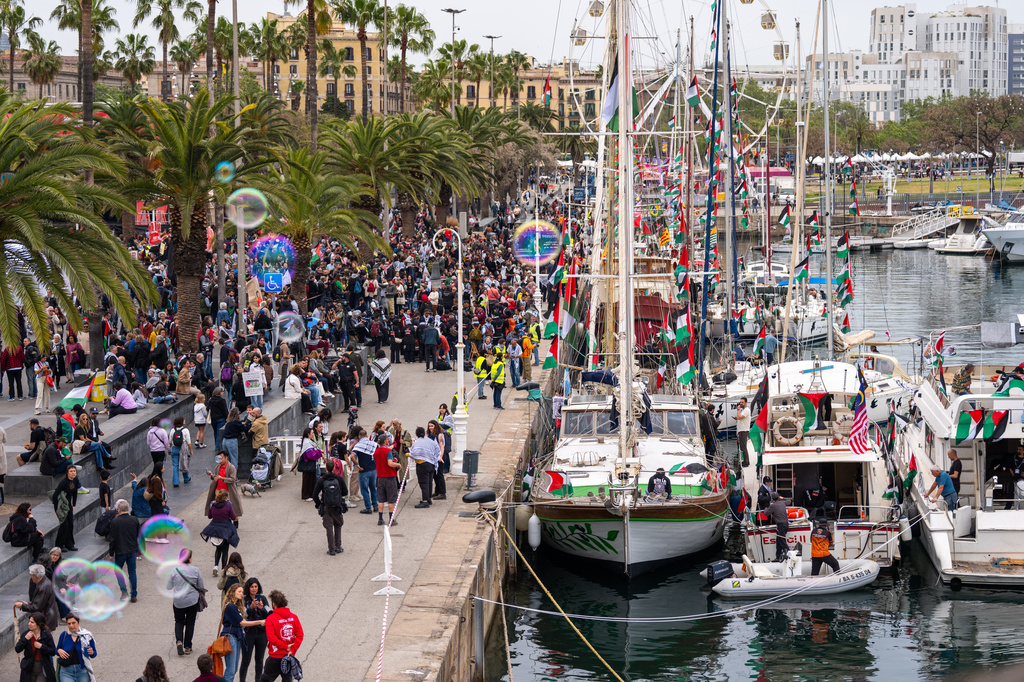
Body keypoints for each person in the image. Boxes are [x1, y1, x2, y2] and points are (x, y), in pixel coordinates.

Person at [220, 584, 265, 682]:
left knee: (234, 668)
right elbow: (242, 623)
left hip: (236, 637)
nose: (241, 594)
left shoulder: (235, 606)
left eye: (242, 592)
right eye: (239, 591)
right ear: (232, 592)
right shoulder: (230, 606)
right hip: (230, 637)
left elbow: (242, 624)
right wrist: (260, 621)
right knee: (231, 670)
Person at [166, 550, 205, 656]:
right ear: (190, 558)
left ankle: (179, 641)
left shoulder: (174, 571)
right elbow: (201, 586)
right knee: (190, 622)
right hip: (192, 601)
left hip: (178, 601)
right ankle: (187, 646)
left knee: (179, 621)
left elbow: (168, 586)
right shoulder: (196, 570)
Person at [260, 590, 303, 682]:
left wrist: (285, 647)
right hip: (288, 657)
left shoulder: (270, 619)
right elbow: (300, 635)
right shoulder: (294, 617)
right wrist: (292, 649)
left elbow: (271, 638)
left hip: (275, 657)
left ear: (274, 604)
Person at [312, 458, 348, 555]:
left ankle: (331, 549)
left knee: (329, 527)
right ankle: (338, 546)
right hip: (337, 506)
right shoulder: (339, 479)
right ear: (335, 468)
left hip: (326, 506)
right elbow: (345, 492)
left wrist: (319, 504)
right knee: (338, 525)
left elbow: (314, 494)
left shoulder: (322, 480)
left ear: (326, 469)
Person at [108, 499, 141, 602]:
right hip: (132, 550)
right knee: (132, 572)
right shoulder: (135, 519)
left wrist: (111, 553)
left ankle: (124, 592)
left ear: (118, 510)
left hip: (120, 550)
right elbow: (138, 535)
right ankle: (134, 594)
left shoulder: (115, 522)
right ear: (128, 508)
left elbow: (112, 539)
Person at [203, 488, 240, 575]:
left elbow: (209, 516)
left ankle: (215, 566)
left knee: (218, 548)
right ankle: (224, 569)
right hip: (225, 529)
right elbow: (233, 517)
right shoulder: (228, 505)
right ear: (226, 497)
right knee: (225, 550)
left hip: (215, 529)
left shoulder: (212, 504)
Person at [240, 578, 270, 682]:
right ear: (248, 588)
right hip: (249, 633)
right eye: (252, 587)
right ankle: (242, 680)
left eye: (256, 586)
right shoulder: (244, 599)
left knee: (259, 659)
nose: (254, 589)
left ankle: (258, 680)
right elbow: (242, 616)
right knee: (245, 659)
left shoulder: (263, 598)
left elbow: (270, 615)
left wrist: (262, 608)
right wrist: (251, 608)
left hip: (261, 633)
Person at [55, 611, 97, 682]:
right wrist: (59, 651)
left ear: (78, 622)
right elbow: (56, 650)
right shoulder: (64, 635)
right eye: (69, 623)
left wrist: (92, 652)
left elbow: (94, 653)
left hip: (82, 671)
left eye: (73, 623)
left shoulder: (86, 636)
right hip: (66, 671)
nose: (71, 626)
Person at [16, 565, 60, 632]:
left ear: (35, 576)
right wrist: (28, 604)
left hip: (45, 619)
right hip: (47, 617)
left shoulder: (43, 587)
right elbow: (39, 603)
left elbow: (36, 607)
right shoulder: (45, 582)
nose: (31, 578)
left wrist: (23, 606)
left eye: (31, 576)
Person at [16, 611, 56, 682]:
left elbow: (53, 651)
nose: (29, 624)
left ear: (39, 624)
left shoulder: (46, 635)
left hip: (42, 667)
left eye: (32, 622)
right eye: (29, 621)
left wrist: (42, 646)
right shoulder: (26, 634)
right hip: (29, 667)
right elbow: (18, 649)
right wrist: (25, 639)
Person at [410, 426, 442, 509]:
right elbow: (437, 450)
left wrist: (409, 455)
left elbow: (414, 453)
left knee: (423, 483)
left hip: (422, 465)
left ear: (416, 434)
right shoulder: (430, 441)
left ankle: (425, 501)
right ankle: (428, 499)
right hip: (431, 464)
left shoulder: (417, 442)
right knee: (429, 482)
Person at [374, 434, 401, 526]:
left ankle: (380, 518)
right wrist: (397, 465)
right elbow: (389, 463)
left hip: (380, 478)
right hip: (390, 478)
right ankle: (391, 519)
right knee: (391, 500)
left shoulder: (376, 451)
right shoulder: (388, 451)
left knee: (381, 499)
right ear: (385, 441)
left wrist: (394, 461)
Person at [52, 466, 79, 552]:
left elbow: (75, 493)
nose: (73, 473)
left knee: (70, 524)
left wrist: (74, 504)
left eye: (74, 471)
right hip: (61, 506)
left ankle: (69, 544)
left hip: (69, 505)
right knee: (64, 525)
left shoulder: (76, 480)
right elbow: (55, 495)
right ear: (67, 473)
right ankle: (59, 545)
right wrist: (56, 509)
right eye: (71, 471)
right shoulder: (63, 482)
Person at [426, 420, 448, 501]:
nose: (430, 428)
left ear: (435, 426)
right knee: (435, 475)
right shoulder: (431, 435)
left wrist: (440, 457)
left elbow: (442, 446)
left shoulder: (440, 435)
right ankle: (437, 491)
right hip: (433, 458)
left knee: (439, 475)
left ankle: (442, 493)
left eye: (432, 426)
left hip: (439, 457)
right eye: (429, 426)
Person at [766, 492, 791, 562]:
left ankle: (789, 555)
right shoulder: (782, 503)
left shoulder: (773, 506)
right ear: (778, 497)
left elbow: (766, 513)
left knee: (782, 541)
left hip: (781, 525)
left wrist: (765, 508)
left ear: (772, 498)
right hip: (786, 524)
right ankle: (778, 556)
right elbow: (789, 501)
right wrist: (782, 498)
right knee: (779, 540)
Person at [170, 415, 194, 487]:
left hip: (174, 449)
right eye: (183, 420)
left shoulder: (172, 430)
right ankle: (186, 478)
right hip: (183, 449)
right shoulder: (185, 430)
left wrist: (169, 449)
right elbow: (188, 442)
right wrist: (191, 450)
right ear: (181, 422)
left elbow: (170, 441)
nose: (184, 421)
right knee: (184, 463)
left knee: (175, 465)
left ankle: (176, 482)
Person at [735, 398, 751, 463]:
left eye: (742, 402)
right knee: (742, 447)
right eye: (740, 402)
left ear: (746, 403)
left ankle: (746, 461)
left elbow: (741, 416)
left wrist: (738, 410)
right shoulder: (743, 410)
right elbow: (740, 417)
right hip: (741, 430)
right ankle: (745, 460)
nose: (741, 403)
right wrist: (737, 418)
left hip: (744, 430)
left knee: (743, 447)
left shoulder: (746, 410)